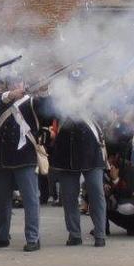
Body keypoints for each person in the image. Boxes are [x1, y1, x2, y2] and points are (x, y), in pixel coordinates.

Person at [0, 75, 52, 252]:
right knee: (0, 200)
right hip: (2, 157)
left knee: (30, 199)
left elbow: (46, 111)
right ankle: (1, 235)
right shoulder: (1, 101)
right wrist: (10, 95)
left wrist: (44, 92)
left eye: (19, 83)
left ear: (24, 84)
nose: (16, 85)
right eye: (13, 83)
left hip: (25, 156)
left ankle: (32, 238)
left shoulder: (31, 102)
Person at [49, 75, 107, 247]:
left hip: (91, 152)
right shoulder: (61, 102)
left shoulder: (93, 99)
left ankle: (100, 233)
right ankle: (74, 234)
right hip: (67, 154)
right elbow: (52, 114)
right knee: (68, 197)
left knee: (97, 194)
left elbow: (103, 114)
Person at [105, 145, 134, 236]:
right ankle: (102, 227)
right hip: (112, 201)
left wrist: (116, 179)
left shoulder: (128, 168)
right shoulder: (102, 168)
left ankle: (131, 226)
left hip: (127, 202)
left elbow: (128, 192)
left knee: (127, 207)